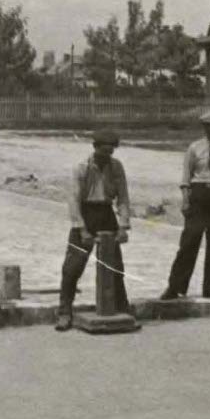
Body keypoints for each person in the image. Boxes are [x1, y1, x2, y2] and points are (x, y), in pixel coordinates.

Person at [161, 110, 210, 301]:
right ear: (203, 127)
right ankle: (175, 287)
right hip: (199, 195)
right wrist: (186, 199)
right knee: (189, 241)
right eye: (207, 126)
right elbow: (186, 178)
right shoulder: (194, 148)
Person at [56, 129, 131, 331]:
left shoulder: (116, 167)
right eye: (103, 152)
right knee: (72, 268)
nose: (106, 157)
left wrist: (123, 226)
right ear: (95, 148)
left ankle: (122, 308)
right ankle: (64, 312)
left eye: (110, 152)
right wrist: (81, 229)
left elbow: (123, 197)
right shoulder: (82, 168)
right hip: (86, 214)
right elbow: (73, 200)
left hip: (106, 215)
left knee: (116, 267)